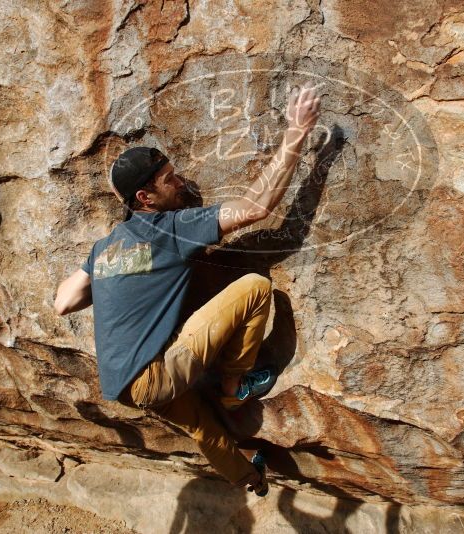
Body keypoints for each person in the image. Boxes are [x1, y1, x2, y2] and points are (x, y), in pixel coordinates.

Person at [54, 83, 321, 495]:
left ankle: (250, 477)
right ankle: (234, 387)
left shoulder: (105, 248)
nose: (180, 183)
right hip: (153, 374)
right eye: (169, 180)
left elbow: (64, 302)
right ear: (145, 197)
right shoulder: (169, 228)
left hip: (124, 387)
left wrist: (112, 283)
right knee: (254, 287)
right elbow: (256, 207)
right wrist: (296, 133)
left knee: (202, 423)